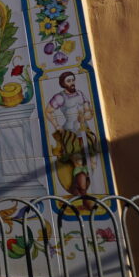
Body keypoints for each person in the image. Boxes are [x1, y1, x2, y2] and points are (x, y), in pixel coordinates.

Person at [44, 71, 99, 199]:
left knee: (91, 162)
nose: (72, 83)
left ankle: (79, 188)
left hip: (84, 131)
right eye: (68, 81)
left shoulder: (80, 94)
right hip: (70, 133)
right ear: (63, 83)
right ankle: (83, 194)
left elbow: (89, 111)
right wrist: (57, 126)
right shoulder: (60, 97)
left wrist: (85, 116)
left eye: (73, 80)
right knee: (78, 162)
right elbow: (48, 111)